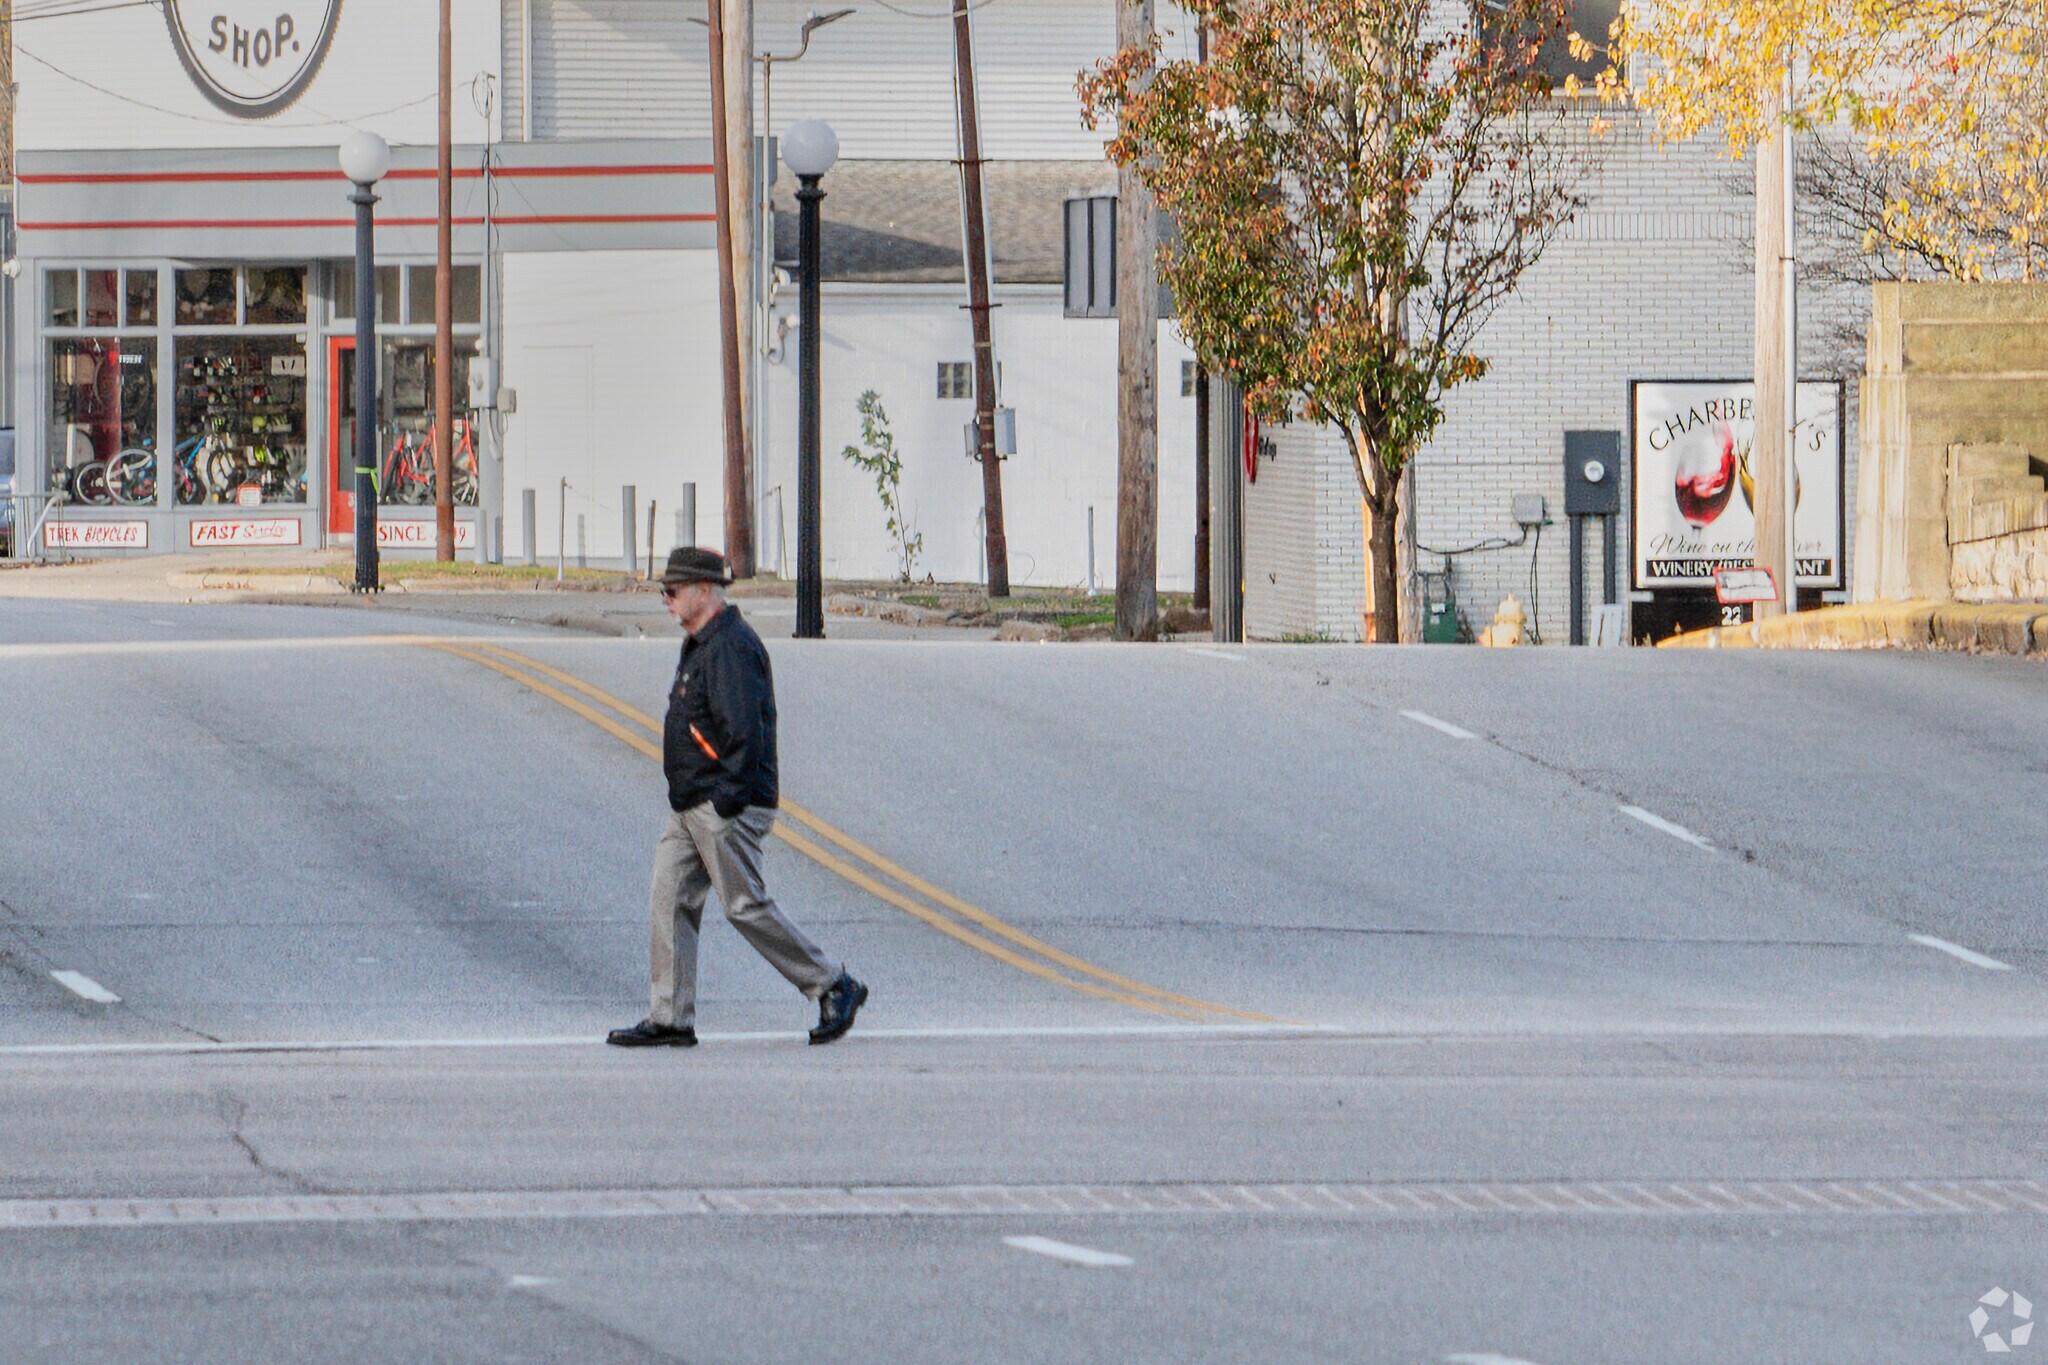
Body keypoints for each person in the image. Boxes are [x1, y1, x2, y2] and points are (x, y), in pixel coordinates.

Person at [608, 547, 867, 1048]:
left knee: (744, 905)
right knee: (669, 898)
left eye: (673, 590)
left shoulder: (730, 647)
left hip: (724, 803)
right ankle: (670, 1017)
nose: (666, 599)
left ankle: (834, 985)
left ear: (703, 591)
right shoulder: (702, 642)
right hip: (692, 804)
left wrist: (724, 800)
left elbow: (744, 734)